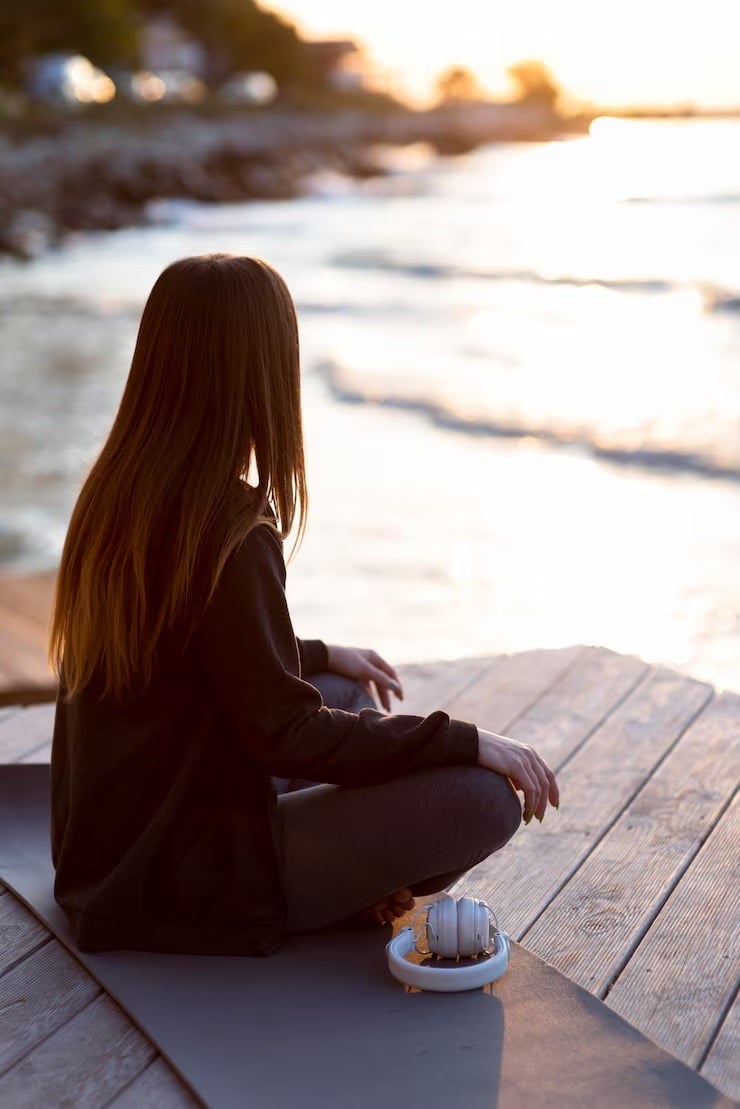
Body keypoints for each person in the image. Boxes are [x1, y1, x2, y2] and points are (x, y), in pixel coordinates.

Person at [48, 254, 559, 957]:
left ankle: (351, 874)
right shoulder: (225, 525)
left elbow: (192, 658)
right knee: (485, 797)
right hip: (184, 883)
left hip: (107, 850)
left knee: (346, 686)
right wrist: (466, 738)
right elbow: (284, 733)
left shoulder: (114, 493)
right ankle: (346, 887)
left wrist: (318, 655)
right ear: (260, 372)